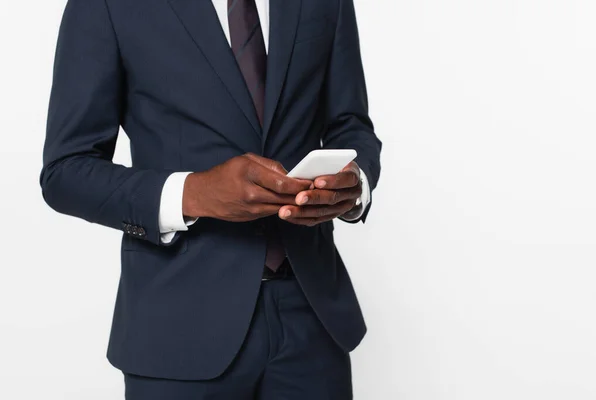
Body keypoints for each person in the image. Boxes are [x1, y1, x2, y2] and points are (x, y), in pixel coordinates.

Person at [40, 0, 382, 398]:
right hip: (178, 329)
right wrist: (194, 193)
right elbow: (66, 170)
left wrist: (354, 182)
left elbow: (351, 125)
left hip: (312, 320)